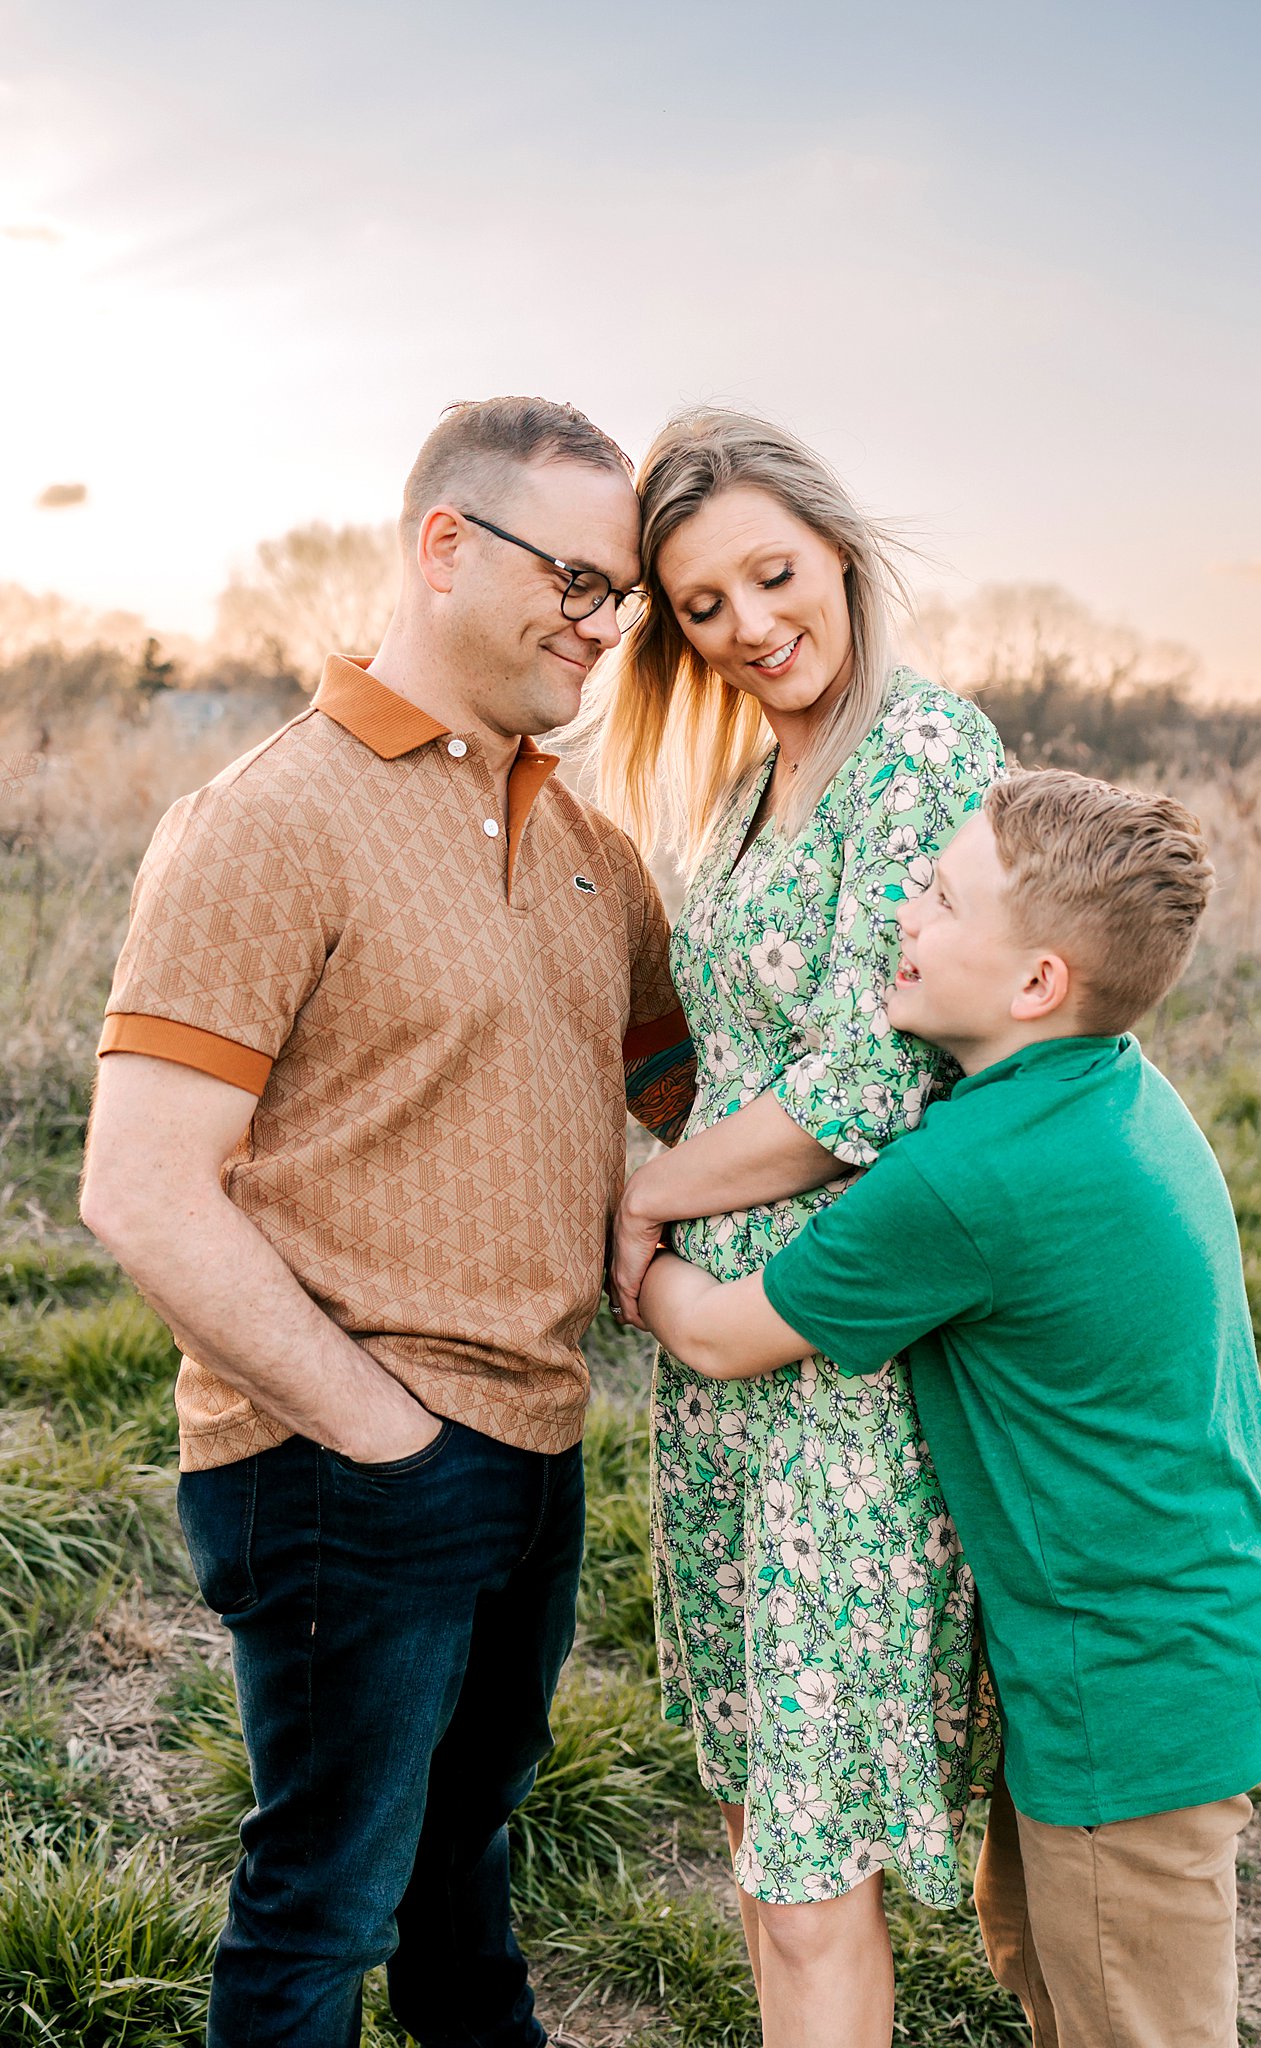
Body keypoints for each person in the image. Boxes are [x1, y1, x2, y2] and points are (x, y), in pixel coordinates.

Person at [80, 396, 695, 2048]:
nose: (602, 619)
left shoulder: (588, 847)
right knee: (321, 1910)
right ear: (443, 544)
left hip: (538, 1446)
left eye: (621, 594)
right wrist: (379, 1430)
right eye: (576, 576)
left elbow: (697, 1102)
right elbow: (137, 1185)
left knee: (464, 1873)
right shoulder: (266, 819)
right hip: (345, 1460)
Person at [638, 768, 1261, 2048]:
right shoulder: (1112, 1084)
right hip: (1181, 1642)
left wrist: (639, 1229)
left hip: (1128, 1690)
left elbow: (726, 1335)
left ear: (1036, 984)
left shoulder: (974, 1176)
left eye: (941, 897)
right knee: (1062, 1985)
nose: (899, 906)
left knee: (1135, 2023)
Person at [589, 409, 1005, 2047]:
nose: (753, 624)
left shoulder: (924, 748)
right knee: (770, 1845)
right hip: (724, 1381)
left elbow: (869, 1073)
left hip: (838, 1366)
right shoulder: (762, 778)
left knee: (818, 1868)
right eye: (702, 604)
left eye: (773, 573)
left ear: (838, 549)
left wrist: (645, 1200)